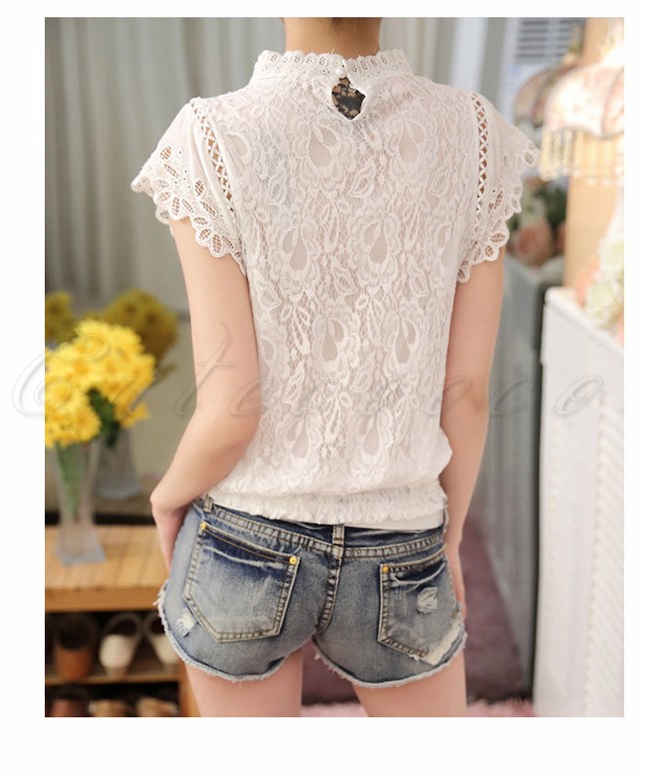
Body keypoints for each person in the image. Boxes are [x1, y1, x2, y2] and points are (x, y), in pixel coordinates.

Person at [130, 16, 540, 717]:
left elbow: (231, 409)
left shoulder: (209, 137)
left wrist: (167, 498)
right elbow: (468, 394)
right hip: (403, 539)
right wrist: (446, 536)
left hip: (244, 534)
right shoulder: (475, 136)